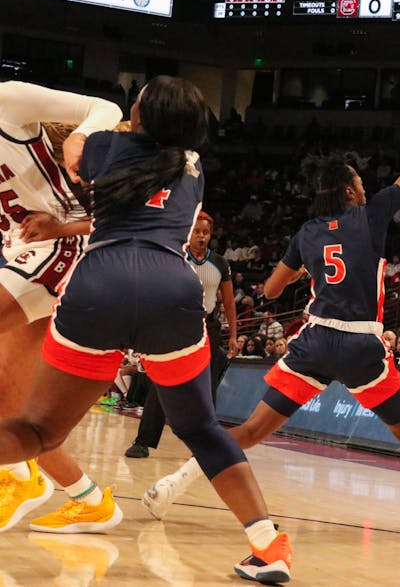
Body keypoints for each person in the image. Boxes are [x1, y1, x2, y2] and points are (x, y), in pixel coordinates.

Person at [141, 82, 400, 537]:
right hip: (359, 342)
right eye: (359, 182)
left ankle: (173, 484)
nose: (365, 187)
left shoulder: (307, 232)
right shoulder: (373, 214)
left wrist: (306, 271)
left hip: (315, 341)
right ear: (349, 190)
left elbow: (270, 289)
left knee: (252, 430)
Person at [0, 76, 291, 582]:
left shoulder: (106, 146)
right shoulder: (193, 167)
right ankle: (269, 544)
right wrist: (65, 220)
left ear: (138, 116)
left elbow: (77, 156)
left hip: (100, 287)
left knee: (38, 430)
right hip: (171, 292)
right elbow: (130, 208)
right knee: (200, 428)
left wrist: (75, 152)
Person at [0, 81, 124, 535]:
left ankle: (16, 475)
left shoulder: (7, 99)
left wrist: (79, 137)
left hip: (62, 243)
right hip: (20, 255)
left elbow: (106, 106)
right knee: (11, 409)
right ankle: (89, 500)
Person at [125, 210, 239, 459]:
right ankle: (143, 441)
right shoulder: (174, 256)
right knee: (161, 383)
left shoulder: (220, 263)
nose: (201, 236)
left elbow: (229, 304)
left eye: (206, 232)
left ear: (211, 235)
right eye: (197, 231)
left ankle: (207, 446)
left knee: (207, 390)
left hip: (208, 327)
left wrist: (233, 334)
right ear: (189, 233)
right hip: (173, 324)